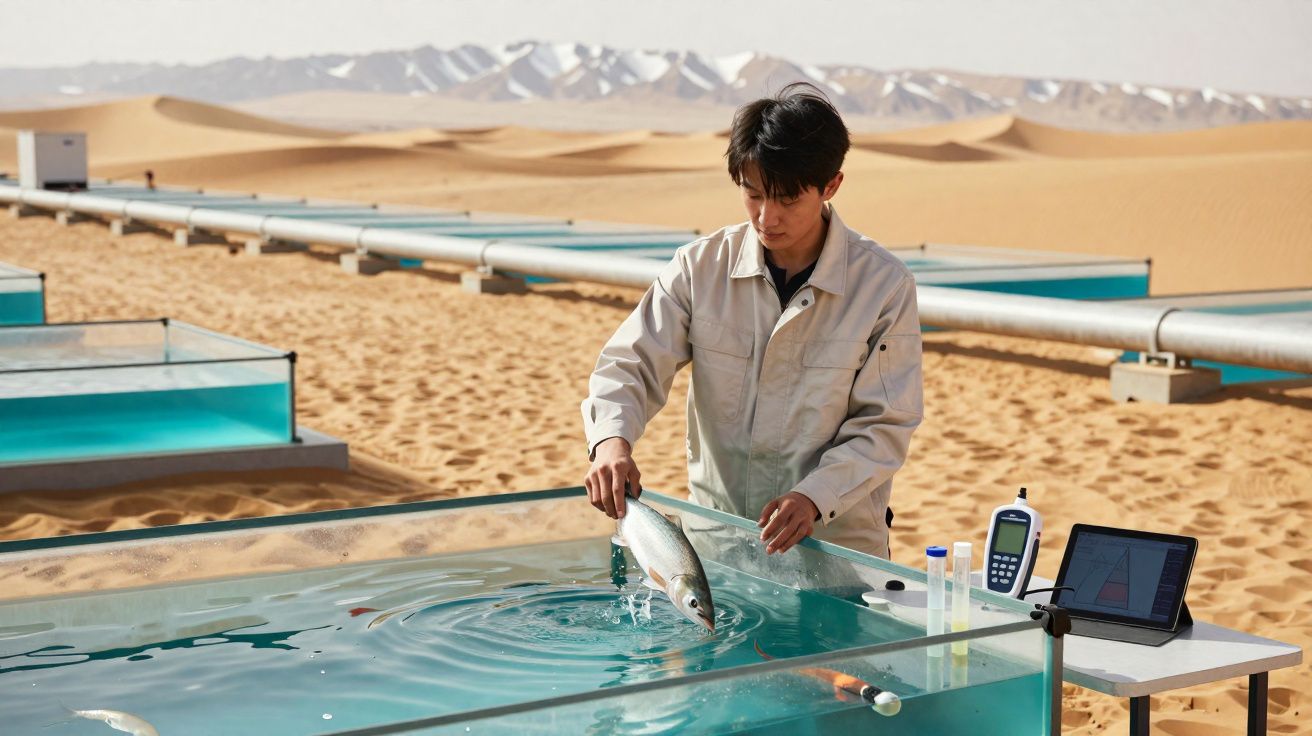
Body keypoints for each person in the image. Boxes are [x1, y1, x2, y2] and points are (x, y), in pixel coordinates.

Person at [580, 83, 923, 559]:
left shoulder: (883, 286)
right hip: (721, 551)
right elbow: (629, 365)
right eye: (754, 194)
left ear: (831, 186)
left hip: (837, 556)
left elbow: (884, 425)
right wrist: (611, 442)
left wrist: (813, 498)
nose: (767, 217)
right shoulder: (699, 269)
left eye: (787, 199)